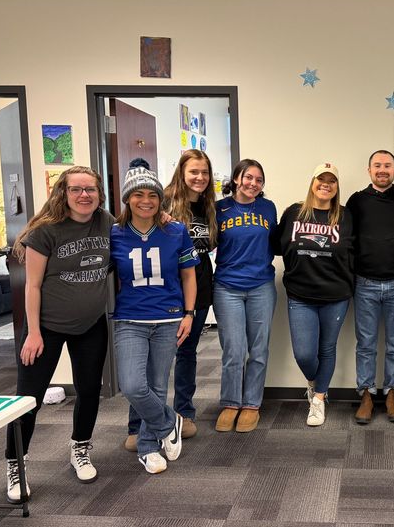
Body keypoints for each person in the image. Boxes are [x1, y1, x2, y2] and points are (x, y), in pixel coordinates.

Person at [5, 166, 113, 503]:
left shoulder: (108, 222)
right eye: (77, 189)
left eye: (91, 189)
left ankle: (80, 448)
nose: (84, 195)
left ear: (99, 193)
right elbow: (32, 286)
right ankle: (15, 464)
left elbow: (141, 224)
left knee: (90, 391)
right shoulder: (46, 231)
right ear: (62, 193)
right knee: (28, 400)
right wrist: (33, 333)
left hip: (91, 325)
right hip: (45, 328)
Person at [110, 160, 198, 474]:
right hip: (130, 319)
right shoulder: (115, 234)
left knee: (158, 386)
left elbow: (189, 276)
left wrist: (189, 313)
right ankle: (167, 423)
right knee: (133, 385)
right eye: (138, 194)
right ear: (127, 199)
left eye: (152, 195)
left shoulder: (176, 230)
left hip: (169, 317)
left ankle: (148, 447)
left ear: (161, 199)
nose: (146, 200)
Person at [124, 150, 216, 450]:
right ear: (182, 172)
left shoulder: (211, 206)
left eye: (204, 172)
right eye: (193, 172)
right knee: (146, 365)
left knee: (187, 354)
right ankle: (139, 424)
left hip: (198, 289)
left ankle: (184, 412)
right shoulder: (162, 203)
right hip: (162, 295)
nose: (199, 177)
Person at [274, 163, 354, 426]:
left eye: (332, 181)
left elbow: (356, 250)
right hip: (300, 294)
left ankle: (318, 399)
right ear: (313, 182)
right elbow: (275, 245)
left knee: (327, 348)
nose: (326, 184)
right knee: (305, 354)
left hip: (336, 295)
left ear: (337, 187)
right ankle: (315, 383)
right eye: (322, 179)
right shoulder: (294, 213)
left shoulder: (345, 216)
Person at [345, 150, 394, 424]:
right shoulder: (356, 201)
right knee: (366, 344)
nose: (382, 170)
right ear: (369, 170)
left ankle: (391, 393)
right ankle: (366, 393)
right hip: (365, 284)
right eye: (377, 165)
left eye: (387, 165)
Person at [213, 159, 277, 433]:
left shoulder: (268, 207)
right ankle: (230, 402)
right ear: (237, 178)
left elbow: (275, 241)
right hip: (227, 286)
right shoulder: (219, 208)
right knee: (234, 349)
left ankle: (251, 404)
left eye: (259, 180)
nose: (253, 183)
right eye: (248, 177)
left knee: (259, 348)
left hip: (261, 285)